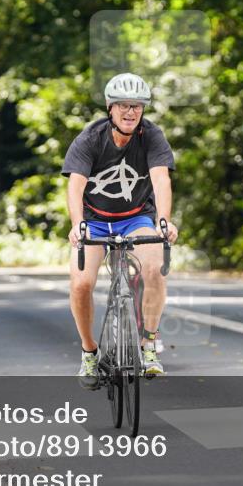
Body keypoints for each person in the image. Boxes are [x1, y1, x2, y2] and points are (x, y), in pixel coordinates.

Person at [62, 72, 179, 390]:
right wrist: (78, 224)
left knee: (154, 268)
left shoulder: (152, 136)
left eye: (137, 107)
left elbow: (160, 179)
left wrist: (163, 220)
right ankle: (89, 353)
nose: (131, 112)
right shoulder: (90, 138)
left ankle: (149, 346)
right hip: (95, 219)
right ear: (110, 108)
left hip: (136, 218)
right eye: (124, 106)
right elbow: (76, 185)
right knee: (81, 284)